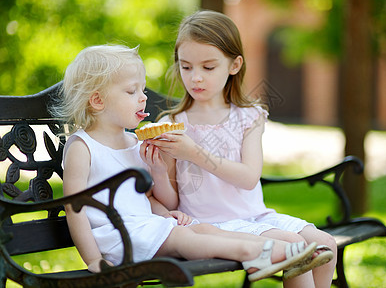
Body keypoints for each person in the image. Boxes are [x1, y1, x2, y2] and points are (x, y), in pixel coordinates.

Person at [51, 44, 320, 283]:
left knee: (202, 229)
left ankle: (271, 247)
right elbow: (74, 209)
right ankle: (255, 254)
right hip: (119, 237)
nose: (143, 97)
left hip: (147, 229)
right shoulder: (82, 147)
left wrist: (165, 209)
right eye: (132, 91)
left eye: (142, 89)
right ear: (97, 100)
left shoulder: (134, 143)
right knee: (185, 238)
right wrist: (94, 260)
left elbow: (144, 198)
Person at [148, 11, 337, 287]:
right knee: (296, 247)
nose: (195, 78)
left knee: (325, 245)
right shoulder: (172, 125)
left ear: (234, 65)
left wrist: (193, 153)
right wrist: (159, 171)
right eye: (186, 67)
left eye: (208, 67)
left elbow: (249, 177)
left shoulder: (249, 117)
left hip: (256, 216)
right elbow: (171, 202)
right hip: (211, 225)